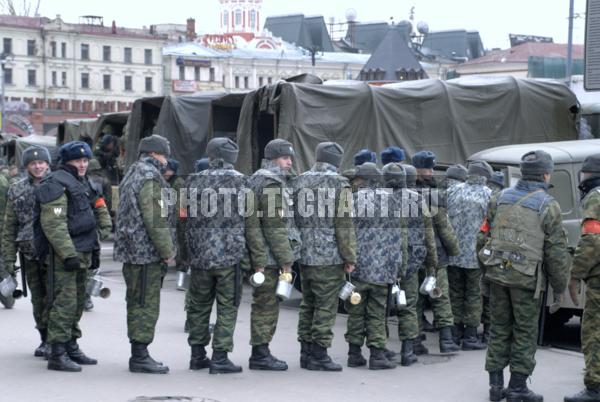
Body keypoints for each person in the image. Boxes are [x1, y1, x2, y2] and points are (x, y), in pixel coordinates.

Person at [479, 150, 570, 402]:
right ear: (545, 174)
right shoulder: (548, 205)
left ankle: (495, 387)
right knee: (524, 332)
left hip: (497, 274)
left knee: (498, 328)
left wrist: (487, 267)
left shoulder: (499, 199)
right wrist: (560, 285)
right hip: (527, 280)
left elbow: (482, 237)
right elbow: (556, 253)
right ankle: (517, 387)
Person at [185, 138, 264, 374]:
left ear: (209, 155)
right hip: (230, 257)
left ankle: (197, 355)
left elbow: (181, 220)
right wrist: (258, 261)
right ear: (233, 156)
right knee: (227, 307)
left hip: (199, 256)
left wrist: (183, 253)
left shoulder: (192, 181)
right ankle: (220, 357)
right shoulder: (242, 183)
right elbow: (251, 227)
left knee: (198, 306)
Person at [34, 141, 111, 372]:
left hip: (83, 250)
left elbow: (96, 210)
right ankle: (57, 352)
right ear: (67, 162)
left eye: (85, 160)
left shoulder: (83, 182)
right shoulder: (56, 183)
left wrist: (96, 243)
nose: (83, 164)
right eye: (78, 161)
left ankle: (71, 345)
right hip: (64, 255)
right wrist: (68, 254)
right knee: (64, 303)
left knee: (77, 302)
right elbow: (53, 224)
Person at [113, 134, 175, 374]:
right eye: (163, 154)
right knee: (145, 304)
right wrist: (167, 250)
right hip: (145, 254)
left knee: (137, 301)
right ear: (152, 154)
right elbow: (155, 219)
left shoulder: (132, 172)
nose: (166, 160)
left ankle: (139, 353)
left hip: (133, 251)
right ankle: (140, 355)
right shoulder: (150, 177)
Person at [293, 141, 357, 371]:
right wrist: (349, 256)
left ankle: (305, 352)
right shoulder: (340, 184)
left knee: (308, 303)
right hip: (329, 257)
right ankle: (319, 354)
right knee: (326, 306)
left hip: (304, 253)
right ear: (337, 162)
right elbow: (344, 225)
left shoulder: (299, 180)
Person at [246, 139, 301, 371]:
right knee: (266, 305)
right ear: (272, 159)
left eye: (289, 158)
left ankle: (261, 351)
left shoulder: (259, 178)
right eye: (284, 158)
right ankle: (260, 353)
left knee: (264, 304)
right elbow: (274, 225)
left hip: (264, 253)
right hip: (269, 256)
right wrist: (286, 260)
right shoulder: (271, 183)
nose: (289, 162)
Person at [345, 162, 403, 370]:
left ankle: (354, 354)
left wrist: (347, 260)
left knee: (356, 310)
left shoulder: (352, 200)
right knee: (377, 313)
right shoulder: (392, 201)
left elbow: (346, 232)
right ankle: (377, 355)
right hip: (383, 268)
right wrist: (397, 268)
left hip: (358, 267)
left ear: (363, 179)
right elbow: (397, 238)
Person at [384, 163, 437, 366]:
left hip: (385, 258)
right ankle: (409, 349)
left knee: (383, 306)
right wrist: (432, 263)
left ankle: (381, 348)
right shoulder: (417, 199)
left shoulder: (380, 197)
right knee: (409, 305)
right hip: (412, 259)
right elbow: (428, 234)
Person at [1, 146, 51, 354]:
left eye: (41, 163)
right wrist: (8, 260)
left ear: (48, 164)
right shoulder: (17, 189)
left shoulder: (58, 185)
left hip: (54, 253)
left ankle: (57, 341)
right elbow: (9, 226)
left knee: (55, 298)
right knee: (38, 299)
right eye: (33, 163)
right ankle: (44, 338)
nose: (38, 166)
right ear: (27, 166)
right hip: (30, 253)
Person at [412, 150, 461, 354]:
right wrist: (455, 250)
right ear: (417, 168)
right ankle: (446, 340)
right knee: (440, 295)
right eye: (427, 168)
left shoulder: (402, 191)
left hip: (412, 254)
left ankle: (414, 338)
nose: (431, 172)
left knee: (414, 298)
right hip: (435, 255)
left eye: (432, 168)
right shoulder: (433, 196)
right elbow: (444, 227)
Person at [564, 154, 600, 402]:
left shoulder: (596, 197)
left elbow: (591, 240)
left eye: (585, 174)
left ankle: (594, 388)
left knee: (594, 332)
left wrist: (575, 274)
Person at [446, 160, 493, 350]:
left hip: (453, 253)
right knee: (474, 295)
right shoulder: (489, 195)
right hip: (476, 256)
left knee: (455, 293)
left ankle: (455, 332)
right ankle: (471, 336)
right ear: (484, 177)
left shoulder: (453, 191)